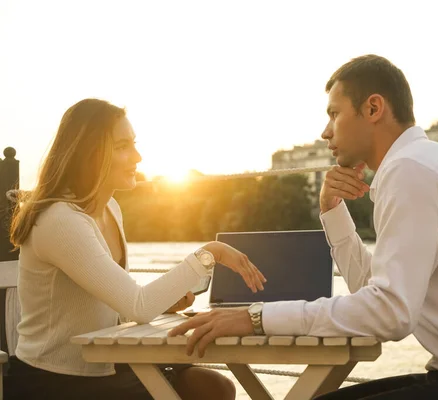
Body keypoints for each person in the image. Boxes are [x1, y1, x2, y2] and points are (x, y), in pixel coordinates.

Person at [169, 54, 438, 400]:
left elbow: (390, 314)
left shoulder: (412, 170)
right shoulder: (419, 163)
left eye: (334, 114)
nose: (326, 132)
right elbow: (372, 292)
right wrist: (331, 210)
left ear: (373, 108)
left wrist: (255, 317)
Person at [6, 98, 267, 400]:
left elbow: (115, 302)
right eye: (123, 146)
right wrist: (210, 254)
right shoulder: (59, 220)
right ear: (91, 153)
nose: (138, 156)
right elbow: (137, 306)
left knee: (215, 387)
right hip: (56, 381)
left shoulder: (110, 209)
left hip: (110, 365)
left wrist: (164, 303)